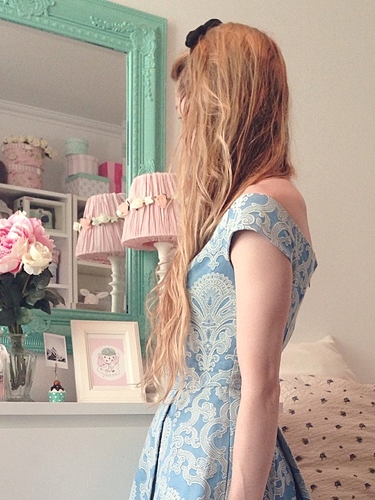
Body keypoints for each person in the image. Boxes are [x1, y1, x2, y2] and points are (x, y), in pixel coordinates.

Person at [130, 20, 317, 500]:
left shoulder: (263, 205)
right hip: (183, 449)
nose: (183, 113)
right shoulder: (234, 209)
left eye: (191, 99)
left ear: (225, 101)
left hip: (221, 457)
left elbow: (261, 386)